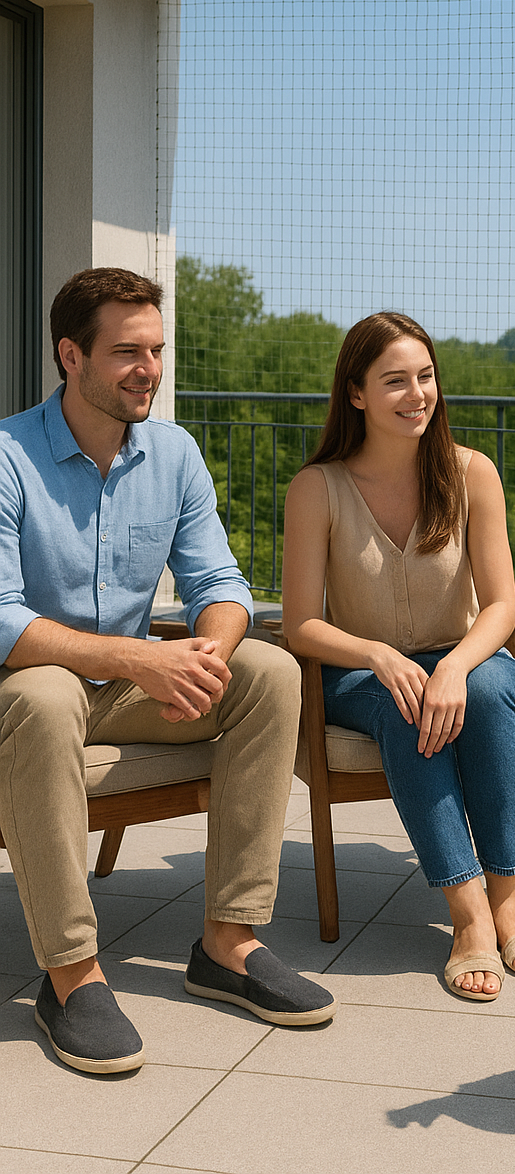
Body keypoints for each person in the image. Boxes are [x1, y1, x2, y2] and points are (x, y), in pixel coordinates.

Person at [0, 268, 337, 1075]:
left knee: (269, 671)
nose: (148, 367)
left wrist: (207, 656)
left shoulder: (175, 452)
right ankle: (71, 975)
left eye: (156, 349)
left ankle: (228, 941)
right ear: (70, 356)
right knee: (47, 696)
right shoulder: (9, 454)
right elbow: (1, 616)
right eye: (127, 351)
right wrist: (138, 658)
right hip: (26, 688)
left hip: (119, 689)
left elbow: (221, 586)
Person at [282, 312, 515, 1000]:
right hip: (358, 672)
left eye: (426, 377)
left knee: (488, 693)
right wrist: (376, 654)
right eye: (395, 380)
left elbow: (501, 606)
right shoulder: (318, 488)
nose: (417, 394)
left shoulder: (471, 473)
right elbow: (300, 624)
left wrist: (457, 664)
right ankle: (468, 918)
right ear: (356, 394)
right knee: (407, 707)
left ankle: (508, 897)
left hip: (465, 656)